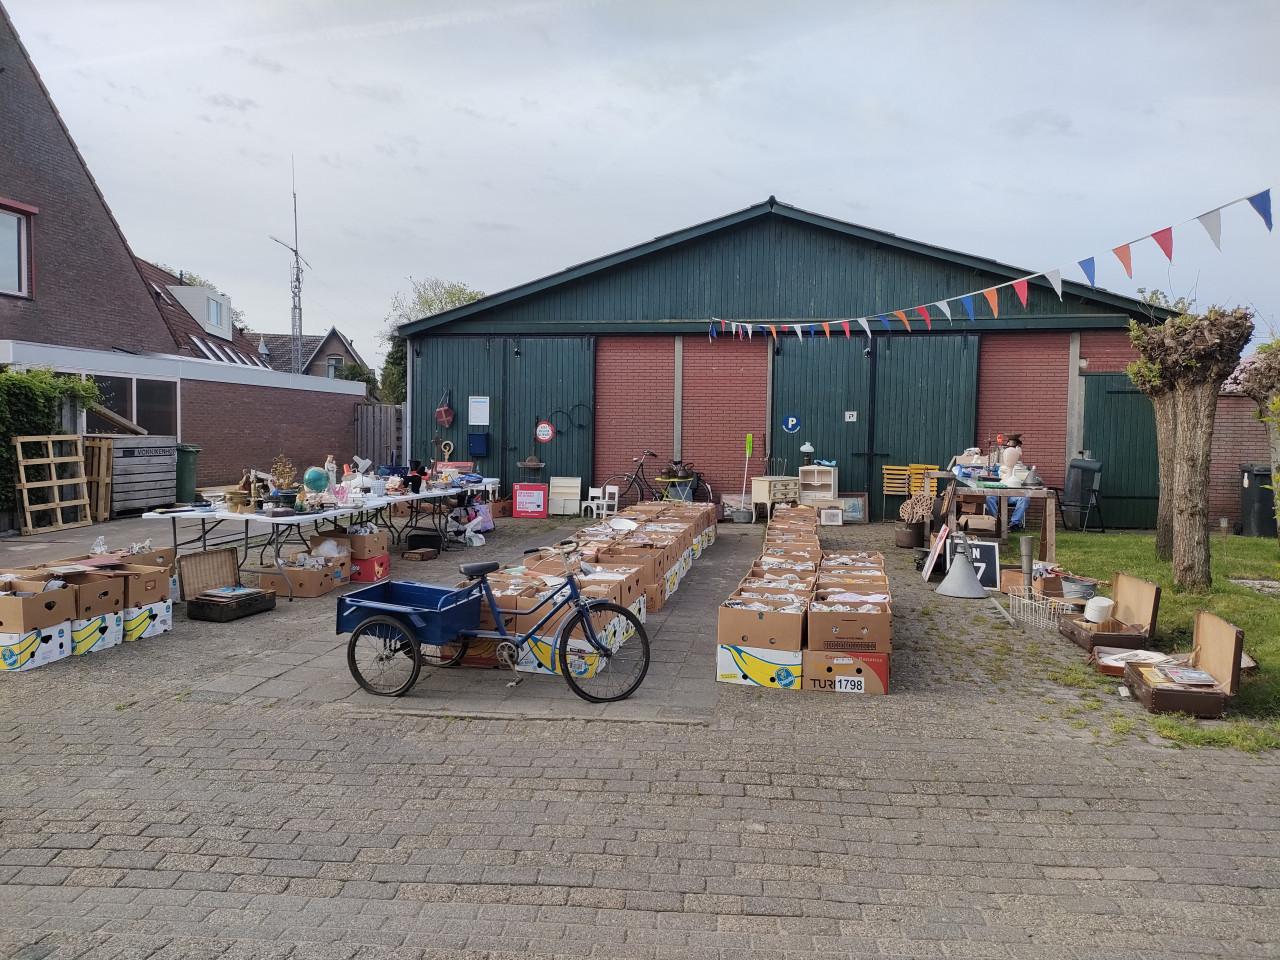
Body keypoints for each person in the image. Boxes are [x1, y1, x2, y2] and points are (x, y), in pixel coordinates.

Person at [986, 434, 1028, 531]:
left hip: (1013, 495)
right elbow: (992, 476)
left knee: (1025, 498)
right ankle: (997, 522)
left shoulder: (1021, 468)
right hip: (999, 493)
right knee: (989, 498)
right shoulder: (1000, 466)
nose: (1010, 454)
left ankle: (1014, 524)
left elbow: (1024, 481)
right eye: (1009, 450)